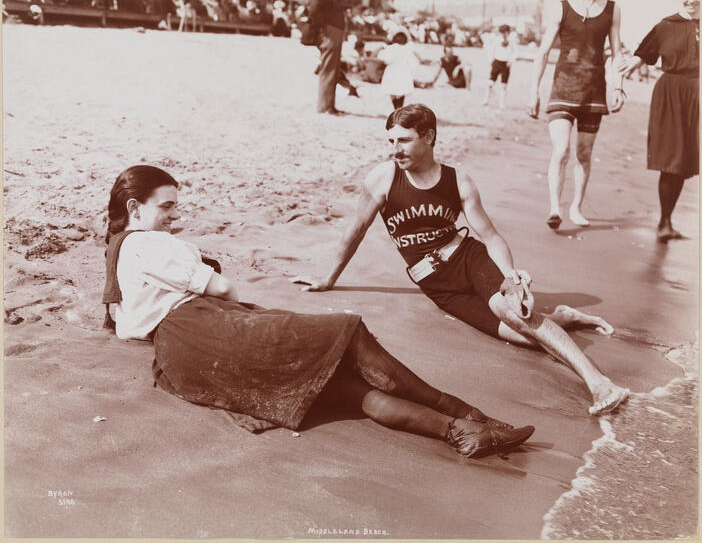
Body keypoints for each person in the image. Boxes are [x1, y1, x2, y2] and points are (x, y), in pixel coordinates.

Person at [102, 165, 535, 460]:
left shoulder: (117, 250)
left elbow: (125, 324)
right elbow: (225, 289)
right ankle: (467, 414)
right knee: (348, 333)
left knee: (343, 388)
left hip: (182, 360)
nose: (174, 216)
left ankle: (459, 432)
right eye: (166, 207)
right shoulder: (150, 242)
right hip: (203, 328)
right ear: (135, 208)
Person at [292, 104, 630, 416]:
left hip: (469, 259)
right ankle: (562, 317)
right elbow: (355, 230)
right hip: (437, 286)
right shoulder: (383, 178)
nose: (395, 149)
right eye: (391, 141)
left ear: (429, 137)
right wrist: (328, 278)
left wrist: (510, 275)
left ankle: (599, 383)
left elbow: (491, 236)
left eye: (404, 141)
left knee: (510, 311)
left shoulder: (458, 181)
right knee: (522, 335)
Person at [527, 0, 625, 230]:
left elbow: (617, 52)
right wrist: (533, 91)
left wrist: (618, 87)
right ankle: (555, 208)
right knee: (561, 150)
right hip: (563, 89)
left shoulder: (613, 9)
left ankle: (576, 208)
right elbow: (543, 52)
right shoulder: (562, 7)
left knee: (584, 153)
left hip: (593, 92)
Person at [619, 0, 699, 242]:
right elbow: (643, 54)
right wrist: (624, 72)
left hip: (698, 94)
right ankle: (665, 222)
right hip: (671, 95)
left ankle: (667, 221)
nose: (691, 0)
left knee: (686, 161)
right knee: (672, 159)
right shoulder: (666, 25)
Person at [309, 0, 346, 115]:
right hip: (330, 32)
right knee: (329, 69)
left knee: (333, 70)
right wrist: (323, 27)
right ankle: (324, 106)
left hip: (333, 30)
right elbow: (314, 10)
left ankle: (329, 105)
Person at [377, 29, 422, 110]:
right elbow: (413, 63)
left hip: (391, 71)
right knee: (402, 91)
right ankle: (399, 107)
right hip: (403, 71)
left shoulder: (390, 48)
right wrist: (410, 71)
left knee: (392, 91)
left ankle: (396, 108)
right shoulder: (407, 49)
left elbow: (383, 58)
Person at [483, 25, 516, 109]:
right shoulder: (497, 40)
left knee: (504, 85)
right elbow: (491, 50)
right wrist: (491, 60)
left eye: (506, 33)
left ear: (508, 33)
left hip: (506, 64)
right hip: (497, 62)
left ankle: (502, 103)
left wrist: (511, 60)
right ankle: (486, 100)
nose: (504, 35)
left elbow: (515, 52)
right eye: (502, 33)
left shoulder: (512, 41)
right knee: (490, 82)